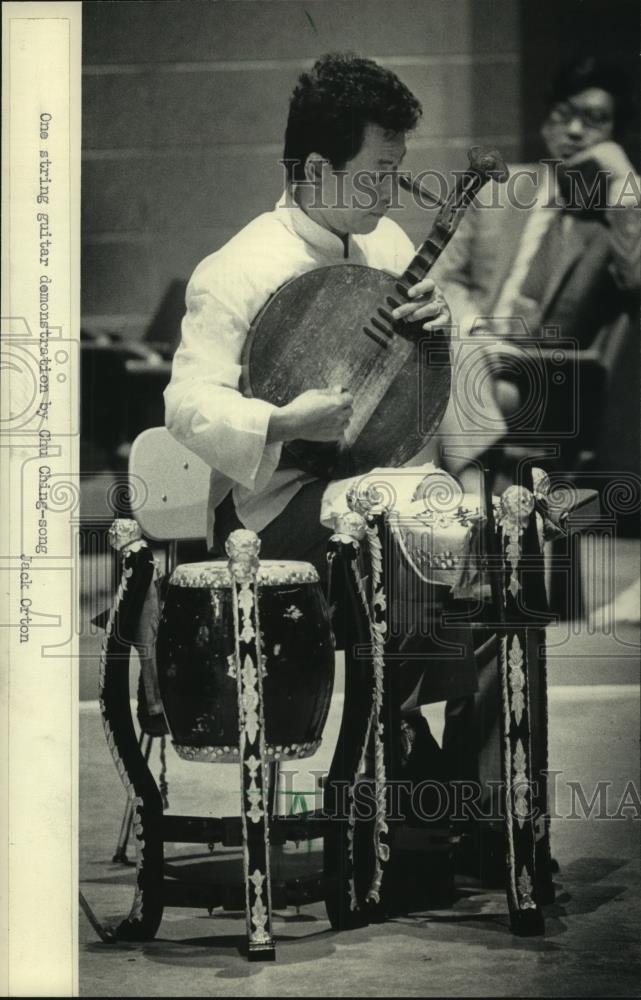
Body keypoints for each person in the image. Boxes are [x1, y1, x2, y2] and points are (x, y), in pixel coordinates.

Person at [164, 53, 480, 783]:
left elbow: (411, 393)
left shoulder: (387, 248)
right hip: (277, 512)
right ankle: (386, 765)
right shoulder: (238, 268)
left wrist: (438, 328)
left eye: (395, 170)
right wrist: (281, 422)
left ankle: (464, 790)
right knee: (402, 542)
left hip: (379, 492)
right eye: (375, 172)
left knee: (483, 563)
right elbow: (185, 403)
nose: (388, 190)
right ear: (315, 167)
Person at [431, 56, 641, 484]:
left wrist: (624, 181)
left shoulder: (614, 219)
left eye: (595, 121)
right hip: (473, 351)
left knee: (443, 385)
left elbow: (636, 279)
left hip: (547, 378)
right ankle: (482, 501)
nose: (576, 131)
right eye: (564, 115)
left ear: (615, 137)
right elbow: (442, 278)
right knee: (448, 366)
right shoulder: (498, 189)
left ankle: (470, 498)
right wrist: (476, 332)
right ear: (546, 122)